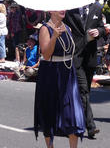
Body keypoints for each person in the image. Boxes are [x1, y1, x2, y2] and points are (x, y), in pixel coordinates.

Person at [34, 10, 85, 148]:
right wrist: (54, 37)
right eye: (59, 7)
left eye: (64, 7)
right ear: (51, 11)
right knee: (49, 111)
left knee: (73, 113)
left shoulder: (68, 28)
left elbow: (72, 49)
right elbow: (46, 54)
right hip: (50, 73)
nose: (63, 10)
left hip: (68, 72)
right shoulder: (45, 29)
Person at [64, 4, 105, 138]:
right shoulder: (70, 9)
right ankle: (90, 126)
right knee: (83, 91)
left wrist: (99, 32)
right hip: (75, 55)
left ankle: (72, 122)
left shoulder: (97, 8)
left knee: (85, 92)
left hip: (90, 56)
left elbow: (101, 27)